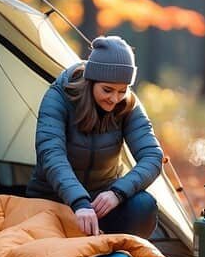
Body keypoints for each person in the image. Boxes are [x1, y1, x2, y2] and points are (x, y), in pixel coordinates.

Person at [26, 35, 163, 238]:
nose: (115, 99)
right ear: (90, 81)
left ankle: (116, 253)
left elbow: (153, 156)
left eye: (121, 91)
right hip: (54, 201)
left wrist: (117, 193)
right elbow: (51, 155)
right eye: (107, 90)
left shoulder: (127, 104)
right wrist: (79, 202)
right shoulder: (59, 97)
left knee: (144, 206)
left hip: (100, 204)